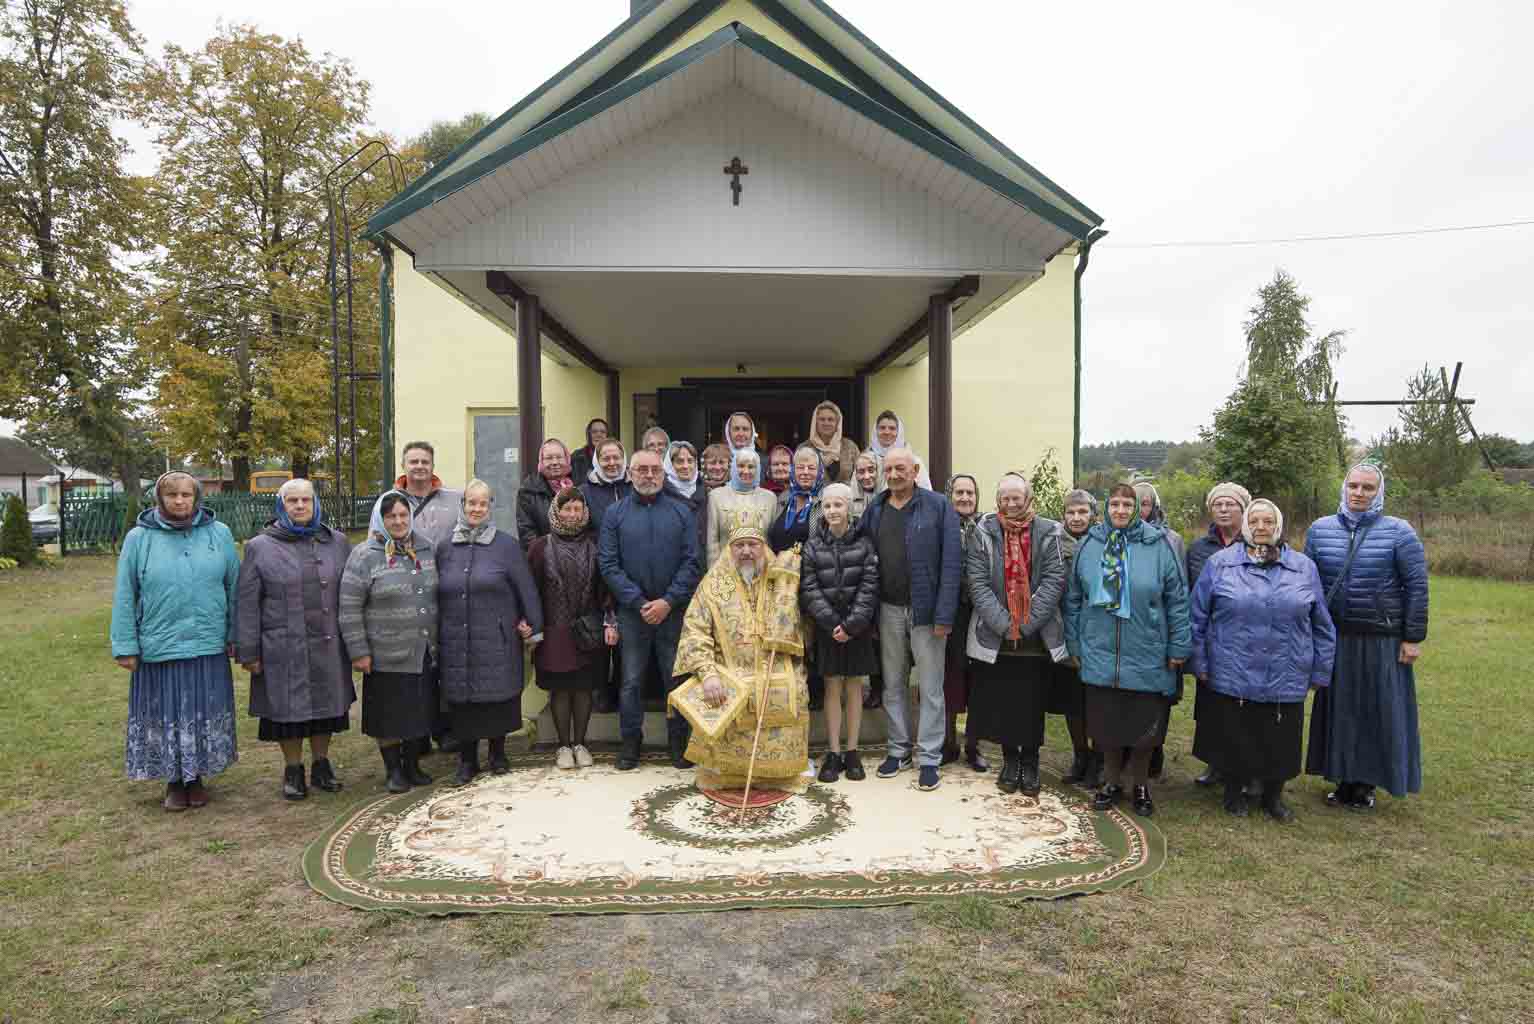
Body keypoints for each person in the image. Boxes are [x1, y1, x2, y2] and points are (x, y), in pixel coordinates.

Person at [1191, 499, 1336, 822]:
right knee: (1235, 735)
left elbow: (1322, 624)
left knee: (1280, 739)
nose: (1260, 527)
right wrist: (1199, 662)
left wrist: (1320, 670)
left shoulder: (1303, 567)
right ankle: (1233, 793)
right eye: (1254, 521)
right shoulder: (1220, 564)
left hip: (1287, 668)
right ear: (1245, 526)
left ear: (1278, 527)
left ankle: (1274, 797)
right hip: (1232, 668)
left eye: (1268, 522)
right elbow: (1197, 617)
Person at [111, 472, 241, 812]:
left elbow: (235, 588)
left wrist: (235, 634)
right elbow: (126, 593)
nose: (180, 501)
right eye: (172, 495)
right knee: (165, 713)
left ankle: (196, 777)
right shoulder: (139, 539)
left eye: (186, 494)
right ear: (159, 499)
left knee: (203, 711)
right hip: (160, 645)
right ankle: (172, 779)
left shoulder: (219, 534)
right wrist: (125, 645)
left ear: (196, 498)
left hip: (207, 643)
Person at [1305, 463, 1428, 810]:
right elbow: (1307, 584)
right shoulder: (1319, 530)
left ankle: (1366, 782)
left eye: (1368, 488)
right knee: (1340, 711)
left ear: (1379, 492)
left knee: (1376, 710)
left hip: (1381, 639)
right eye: (1354, 486)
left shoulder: (1399, 533)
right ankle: (1342, 776)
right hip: (1336, 637)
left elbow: (1416, 587)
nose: (1359, 493)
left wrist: (1412, 637)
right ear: (1344, 489)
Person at [1064, 483, 1191, 818]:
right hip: (1101, 649)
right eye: (1115, 504)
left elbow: (1177, 600)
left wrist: (1179, 645)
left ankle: (1140, 785)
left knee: (1144, 727)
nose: (1120, 510)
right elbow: (1074, 599)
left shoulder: (1159, 544)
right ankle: (1110, 782)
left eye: (1127, 505)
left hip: (1147, 649)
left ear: (1138, 509)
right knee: (1106, 725)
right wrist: (1075, 643)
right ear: (1106, 508)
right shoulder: (1090, 544)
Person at [674, 508, 812, 794]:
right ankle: (727, 773)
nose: (747, 551)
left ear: (763, 547)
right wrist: (708, 673)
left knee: (795, 686)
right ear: (730, 549)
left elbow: (801, 623)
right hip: (728, 669)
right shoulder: (713, 584)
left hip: (777, 665)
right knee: (719, 690)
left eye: (753, 544)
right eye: (739, 545)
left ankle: (782, 772)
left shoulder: (780, 578)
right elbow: (695, 630)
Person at [236, 479, 354, 801]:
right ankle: (293, 769)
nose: (300, 506)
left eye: (306, 500)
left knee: (327, 707)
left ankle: (321, 764)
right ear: (281, 505)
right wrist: (248, 650)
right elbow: (247, 602)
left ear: (316, 504)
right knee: (286, 711)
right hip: (282, 646)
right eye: (293, 501)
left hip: (329, 643)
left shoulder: (337, 542)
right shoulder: (260, 546)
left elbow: (353, 594)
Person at [859, 447, 962, 792]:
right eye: (888, 468)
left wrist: (945, 614)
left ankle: (929, 757)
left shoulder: (938, 506)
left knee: (931, 687)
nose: (894, 474)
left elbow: (951, 564)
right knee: (893, 684)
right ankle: (898, 750)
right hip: (887, 610)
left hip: (927, 611)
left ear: (915, 469)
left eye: (900, 468)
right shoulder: (876, 508)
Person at [598, 448, 703, 770]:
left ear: (664, 473)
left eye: (654, 470)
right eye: (641, 469)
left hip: (673, 612)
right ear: (630, 473)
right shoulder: (614, 514)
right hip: (633, 613)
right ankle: (631, 742)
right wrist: (640, 602)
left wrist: (668, 601)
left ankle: (679, 742)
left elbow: (692, 562)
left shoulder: (681, 511)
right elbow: (608, 564)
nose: (648, 475)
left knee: (678, 680)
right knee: (631, 682)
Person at [965, 475, 1068, 796]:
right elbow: (977, 581)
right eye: (1005, 498)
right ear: (998, 500)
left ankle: (1032, 761)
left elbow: (1054, 577)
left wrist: (1024, 623)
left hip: (1035, 637)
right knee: (1005, 701)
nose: (1011, 504)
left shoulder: (1049, 530)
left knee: (1032, 702)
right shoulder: (983, 531)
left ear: (1028, 498)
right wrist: (1003, 623)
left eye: (1017, 498)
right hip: (997, 636)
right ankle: (1011, 762)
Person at [437, 480, 544, 785]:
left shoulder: (507, 546)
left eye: (483, 503)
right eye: (471, 503)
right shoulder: (446, 547)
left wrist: (533, 626)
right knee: (463, 699)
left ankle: (498, 754)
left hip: (497, 637)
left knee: (497, 697)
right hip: (457, 637)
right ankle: (467, 760)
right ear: (463, 506)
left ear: (490, 507)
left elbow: (527, 590)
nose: (476, 509)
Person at [339, 491, 440, 793]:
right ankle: (393, 770)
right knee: (389, 715)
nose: (398, 521)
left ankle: (412, 766)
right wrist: (359, 651)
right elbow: (349, 606)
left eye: (403, 515)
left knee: (417, 712)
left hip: (421, 650)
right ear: (381, 520)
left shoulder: (425, 548)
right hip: (384, 653)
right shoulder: (364, 555)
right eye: (391, 516)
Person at [529, 488, 616, 769]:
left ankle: (580, 743)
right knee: (559, 690)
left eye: (577, 509)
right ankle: (563, 746)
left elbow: (605, 588)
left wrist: (609, 619)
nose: (572, 514)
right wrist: (530, 625)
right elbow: (530, 589)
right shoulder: (540, 547)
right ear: (556, 511)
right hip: (553, 630)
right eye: (567, 508)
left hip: (587, 630)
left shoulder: (595, 545)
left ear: (584, 513)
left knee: (583, 688)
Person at [800, 483, 879, 782]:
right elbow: (809, 587)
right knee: (832, 687)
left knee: (855, 687)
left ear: (850, 507)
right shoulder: (812, 545)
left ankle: (852, 751)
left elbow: (870, 585)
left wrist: (851, 624)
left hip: (857, 628)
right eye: (828, 506)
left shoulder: (864, 542)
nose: (833, 511)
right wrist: (833, 623)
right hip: (828, 628)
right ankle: (833, 753)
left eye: (839, 505)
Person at [1184, 481, 1253, 787]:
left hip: (1247, 638)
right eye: (1218, 505)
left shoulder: (1256, 543)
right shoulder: (1199, 549)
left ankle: (1246, 767)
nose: (1224, 510)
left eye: (1231, 505)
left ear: (1243, 508)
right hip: (1211, 639)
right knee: (1211, 706)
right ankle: (1215, 763)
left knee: (1247, 706)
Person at [1131, 479, 1186, 780]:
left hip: (1158, 628)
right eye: (1135, 503)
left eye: (1146, 503)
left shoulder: (1172, 539)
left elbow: (1179, 591)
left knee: (1156, 698)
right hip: (1128, 631)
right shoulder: (1116, 539)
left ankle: (1153, 751)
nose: (1141, 509)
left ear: (1155, 507)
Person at [1052, 489, 1102, 787]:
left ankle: (1098, 759)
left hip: (1096, 632)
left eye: (1082, 512)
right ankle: (1080, 754)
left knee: (1095, 700)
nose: (1076, 517)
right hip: (1063, 630)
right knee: (1072, 701)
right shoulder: (1054, 543)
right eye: (1071, 512)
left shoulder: (1102, 544)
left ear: (1092, 515)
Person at [941, 474, 987, 771]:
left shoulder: (987, 527)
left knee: (979, 678)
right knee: (950, 677)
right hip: (950, 613)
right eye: (959, 492)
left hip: (980, 613)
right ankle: (948, 742)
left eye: (970, 493)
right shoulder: (940, 525)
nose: (965, 498)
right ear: (950, 495)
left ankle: (974, 744)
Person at [705, 448, 778, 568]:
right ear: (733, 467)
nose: (746, 471)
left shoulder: (770, 498)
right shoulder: (716, 496)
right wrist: (714, 575)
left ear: (758, 469)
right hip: (726, 571)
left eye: (751, 467)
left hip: (761, 572)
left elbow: (771, 540)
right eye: (741, 466)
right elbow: (712, 542)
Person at [396, 441, 463, 550]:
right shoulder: (388, 501)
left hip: (447, 566)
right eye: (413, 462)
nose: (420, 466)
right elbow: (375, 542)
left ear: (433, 466)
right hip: (407, 565)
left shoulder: (457, 499)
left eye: (425, 462)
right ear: (403, 465)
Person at [516, 438, 575, 552]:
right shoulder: (528, 490)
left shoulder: (578, 486)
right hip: (544, 560)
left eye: (559, 457)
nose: (554, 462)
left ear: (567, 459)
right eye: (549, 458)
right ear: (541, 462)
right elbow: (527, 533)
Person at [770, 446, 825, 552]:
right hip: (777, 566)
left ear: (819, 472)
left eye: (811, 468)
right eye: (800, 467)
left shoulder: (825, 500)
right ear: (793, 470)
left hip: (809, 567)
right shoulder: (783, 497)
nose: (805, 472)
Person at [868, 410, 932, 489]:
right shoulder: (865, 460)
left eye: (892, 428)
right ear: (875, 431)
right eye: (882, 428)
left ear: (899, 432)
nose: (887, 432)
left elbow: (926, 491)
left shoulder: (914, 461)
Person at [580, 438, 632, 531]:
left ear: (623, 459)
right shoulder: (584, 492)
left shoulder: (636, 486)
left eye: (616, 458)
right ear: (597, 461)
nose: (612, 463)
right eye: (606, 459)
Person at [806, 400, 860, 484]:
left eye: (830, 419)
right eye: (822, 419)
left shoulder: (850, 447)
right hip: (815, 497)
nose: (826, 423)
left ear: (837, 423)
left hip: (847, 496)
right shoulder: (805, 448)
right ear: (815, 422)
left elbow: (861, 475)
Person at [570, 418, 609, 483]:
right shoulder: (576, 457)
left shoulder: (613, 457)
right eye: (594, 432)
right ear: (589, 435)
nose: (598, 435)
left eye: (603, 432)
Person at [850, 450, 885, 523]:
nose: (866, 476)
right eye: (861, 472)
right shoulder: (849, 500)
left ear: (879, 471)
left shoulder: (891, 499)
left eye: (871, 470)